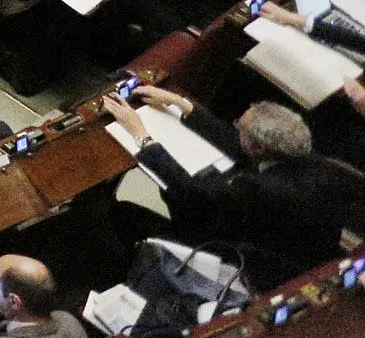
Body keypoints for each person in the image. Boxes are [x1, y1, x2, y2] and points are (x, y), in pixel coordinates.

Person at [103, 87, 365, 286]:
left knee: (129, 212)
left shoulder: (260, 189)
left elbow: (195, 193)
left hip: (255, 261)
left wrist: (142, 135)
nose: (236, 127)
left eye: (240, 126)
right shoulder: (313, 160)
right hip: (310, 249)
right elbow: (242, 145)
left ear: (258, 147)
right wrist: (181, 105)